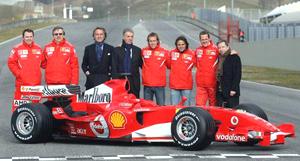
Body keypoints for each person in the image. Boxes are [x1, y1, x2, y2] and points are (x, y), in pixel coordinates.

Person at [8, 28, 44, 112]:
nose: (29, 38)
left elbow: (44, 63)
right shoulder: (16, 49)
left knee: (35, 109)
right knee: (19, 109)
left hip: (36, 85)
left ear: (33, 37)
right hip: (22, 84)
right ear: (23, 37)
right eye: (27, 37)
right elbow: (11, 63)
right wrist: (19, 74)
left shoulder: (39, 48)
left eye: (31, 36)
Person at [112, 28, 143, 98]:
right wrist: (115, 82)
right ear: (123, 37)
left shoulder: (137, 50)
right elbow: (114, 67)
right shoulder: (116, 50)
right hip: (121, 80)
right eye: (128, 36)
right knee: (121, 102)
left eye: (132, 36)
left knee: (134, 101)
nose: (130, 38)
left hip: (134, 81)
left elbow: (142, 65)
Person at [141, 32, 169, 105]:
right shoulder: (143, 51)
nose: (152, 43)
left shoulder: (164, 52)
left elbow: (170, 65)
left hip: (159, 85)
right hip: (147, 85)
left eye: (154, 41)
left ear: (157, 41)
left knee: (161, 107)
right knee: (147, 108)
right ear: (148, 42)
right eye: (150, 41)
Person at [167, 36, 195, 106]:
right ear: (176, 45)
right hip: (174, 86)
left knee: (186, 108)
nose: (181, 46)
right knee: (174, 108)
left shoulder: (192, 54)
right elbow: (168, 65)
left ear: (186, 44)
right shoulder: (172, 53)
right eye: (179, 44)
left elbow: (195, 64)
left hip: (186, 86)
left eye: (183, 44)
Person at [195, 31, 219, 106]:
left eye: (206, 39)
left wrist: (233, 53)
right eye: (202, 39)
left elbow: (225, 55)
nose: (204, 41)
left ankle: (213, 118)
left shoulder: (216, 49)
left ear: (209, 38)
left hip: (212, 83)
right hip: (201, 84)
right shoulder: (198, 50)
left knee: (213, 105)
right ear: (200, 40)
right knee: (199, 105)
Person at [216, 40, 242, 108]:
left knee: (232, 112)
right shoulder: (218, 57)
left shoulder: (234, 57)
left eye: (223, 47)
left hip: (231, 90)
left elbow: (237, 74)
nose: (221, 49)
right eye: (219, 47)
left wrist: (234, 89)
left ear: (227, 47)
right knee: (220, 112)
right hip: (220, 90)